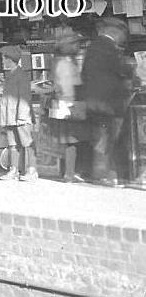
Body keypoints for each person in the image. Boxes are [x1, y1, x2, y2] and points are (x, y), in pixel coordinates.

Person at [81, 17, 132, 186]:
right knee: (108, 139)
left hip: (94, 103)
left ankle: (104, 174)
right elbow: (121, 71)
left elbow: (84, 74)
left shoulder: (92, 47)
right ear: (115, 32)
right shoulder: (111, 48)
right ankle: (106, 175)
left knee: (100, 137)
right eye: (123, 34)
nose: (124, 39)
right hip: (109, 103)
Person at [50, 32, 89, 183]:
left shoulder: (62, 61)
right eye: (75, 44)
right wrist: (73, 105)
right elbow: (67, 87)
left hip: (66, 104)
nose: (78, 46)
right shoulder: (65, 63)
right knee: (71, 140)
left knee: (71, 140)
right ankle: (70, 173)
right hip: (69, 104)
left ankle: (71, 172)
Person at [0, 44, 38, 181]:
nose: (3, 61)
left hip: (21, 117)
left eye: (4, 59)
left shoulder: (22, 75)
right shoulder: (10, 76)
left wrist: (23, 117)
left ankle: (32, 170)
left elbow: (25, 97)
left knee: (27, 143)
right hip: (10, 116)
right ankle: (13, 170)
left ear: (11, 60)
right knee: (12, 144)